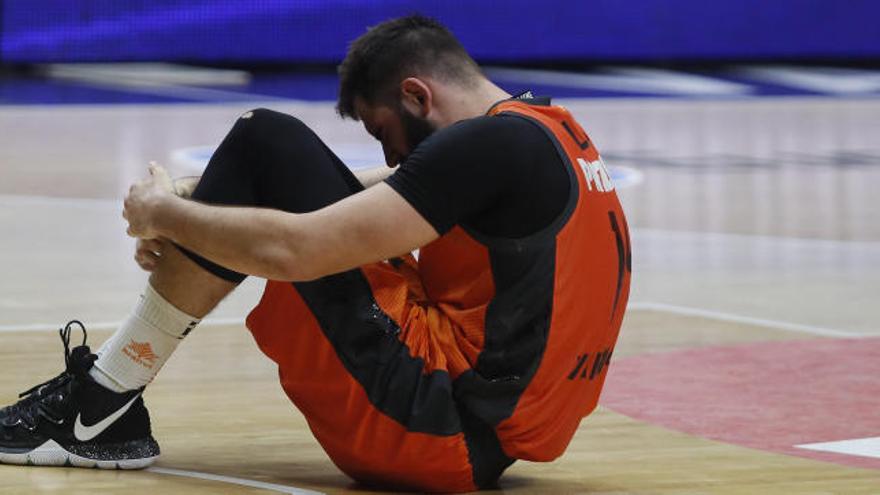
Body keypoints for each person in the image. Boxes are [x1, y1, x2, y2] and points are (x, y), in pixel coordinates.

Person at [0, 15, 631, 492]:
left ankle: (101, 404)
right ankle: (106, 401)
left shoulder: (481, 149)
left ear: (417, 95)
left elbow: (293, 249)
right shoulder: (546, 132)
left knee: (263, 136)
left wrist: (162, 214)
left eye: (382, 131)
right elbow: (376, 191)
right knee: (265, 159)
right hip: (485, 434)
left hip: (431, 427)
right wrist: (203, 205)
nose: (390, 155)